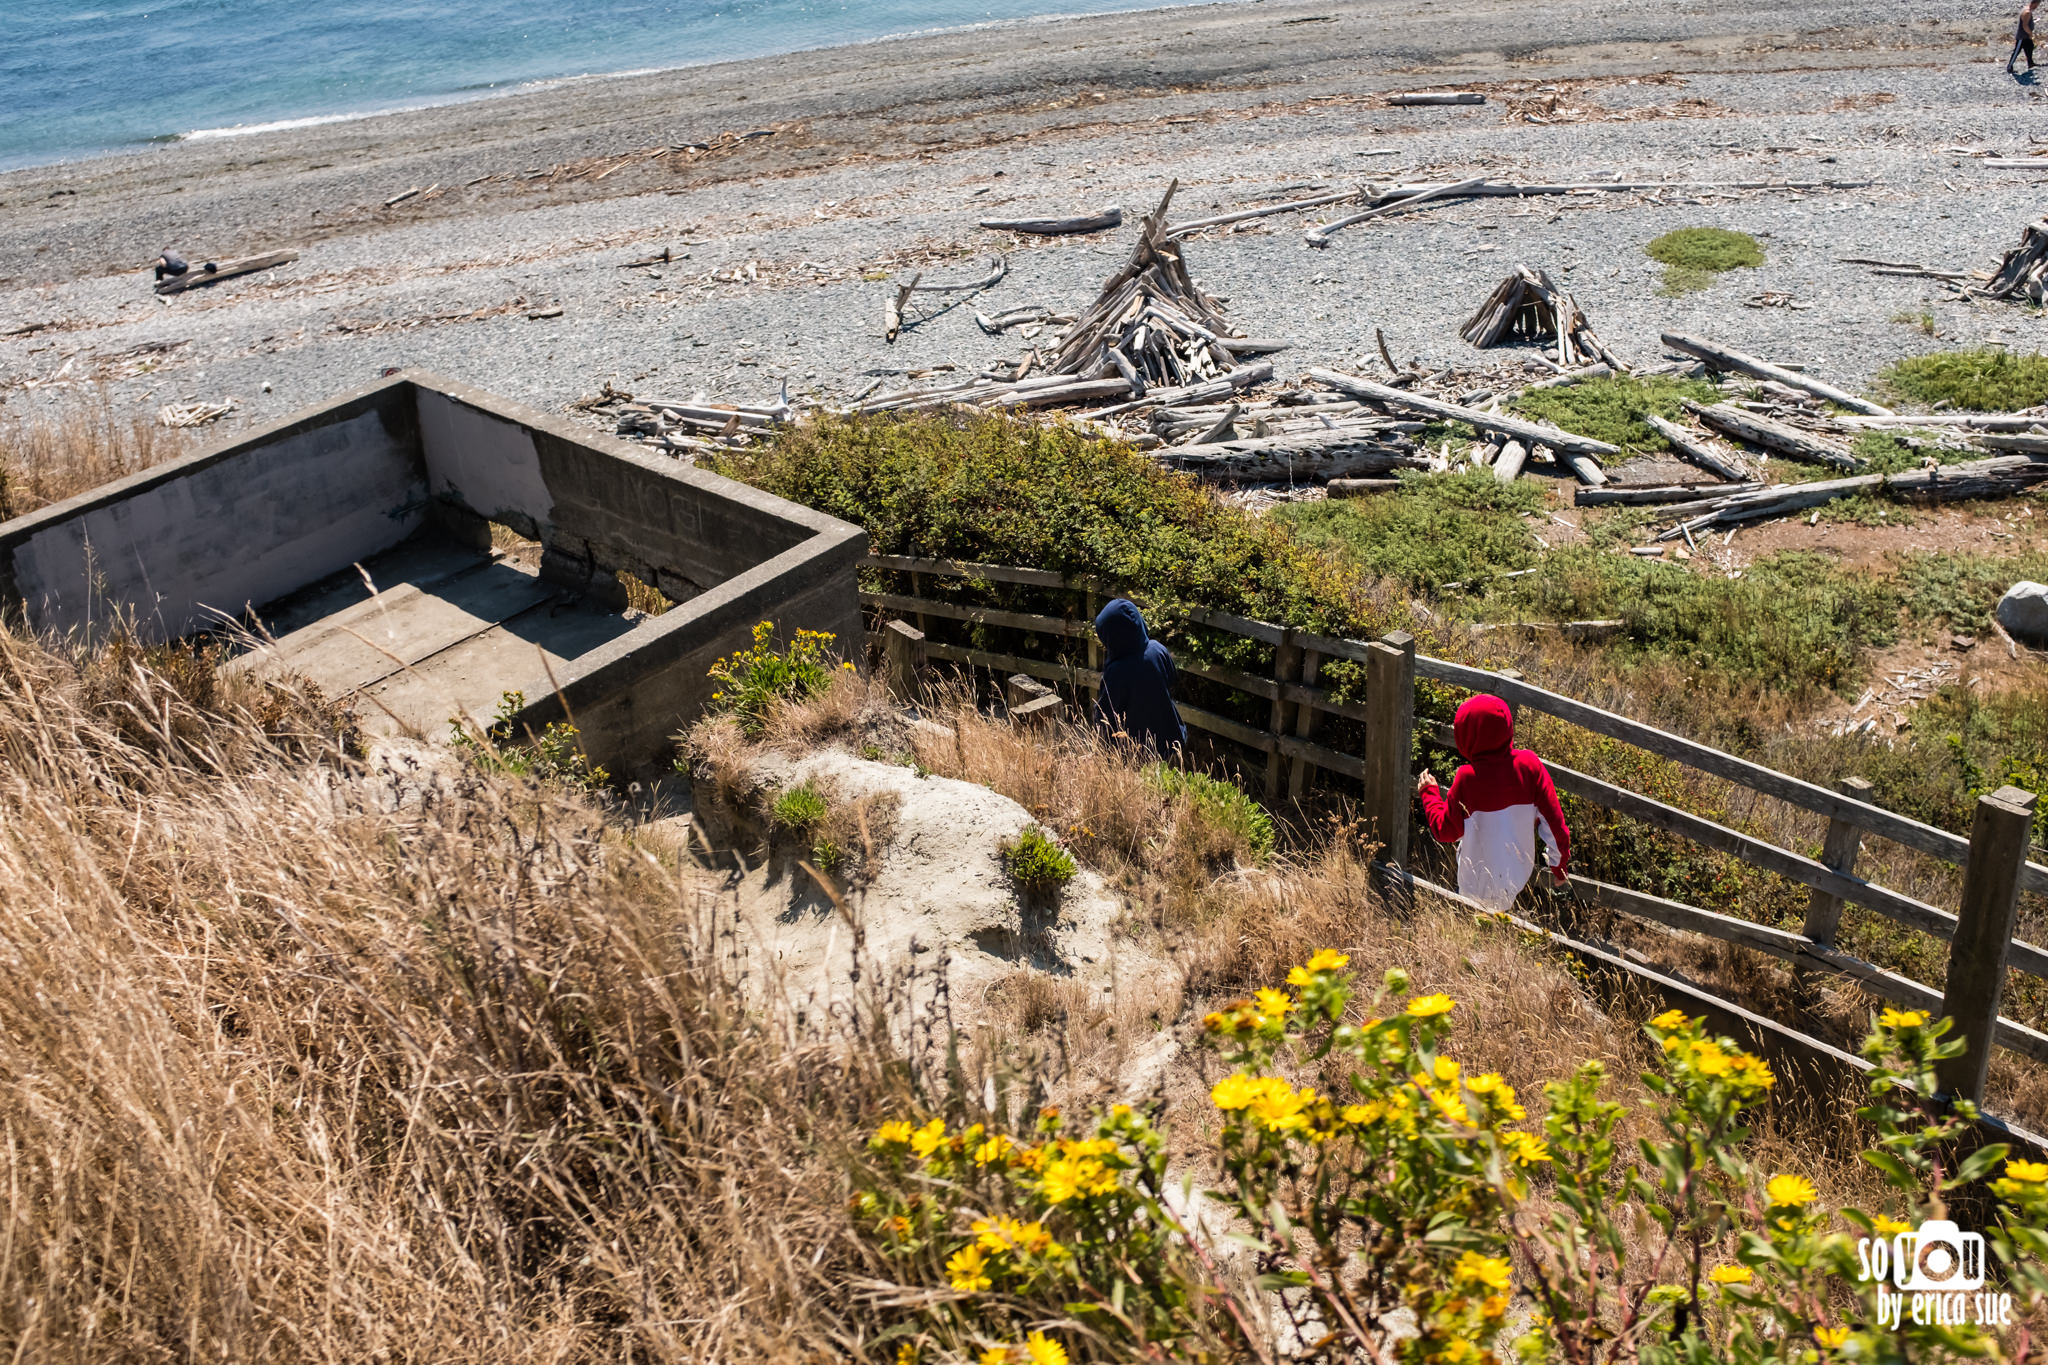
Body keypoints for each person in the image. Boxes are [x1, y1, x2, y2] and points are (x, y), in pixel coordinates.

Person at [1415, 693, 1570, 912]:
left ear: (1466, 736)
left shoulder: (1467, 778)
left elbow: (1446, 831)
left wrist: (1429, 793)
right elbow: (1555, 824)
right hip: (1516, 876)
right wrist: (1559, 867)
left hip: (1473, 883)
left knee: (1474, 931)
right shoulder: (1530, 767)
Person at [1092, 598, 1186, 758]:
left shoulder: (1116, 671)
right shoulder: (1158, 649)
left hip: (1137, 750)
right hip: (1172, 737)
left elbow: (1105, 715)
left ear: (1110, 638)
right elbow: (1171, 680)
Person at [2013, 0, 2037, 74]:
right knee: (2017, 51)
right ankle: (2009, 66)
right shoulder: (2027, 12)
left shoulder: (2027, 10)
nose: (2036, 7)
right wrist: (2030, 33)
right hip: (2022, 36)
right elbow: (2025, 25)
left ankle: (2031, 63)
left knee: (2030, 47)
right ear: (2034, 3)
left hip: (2026, 36)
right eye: (2036, 5)